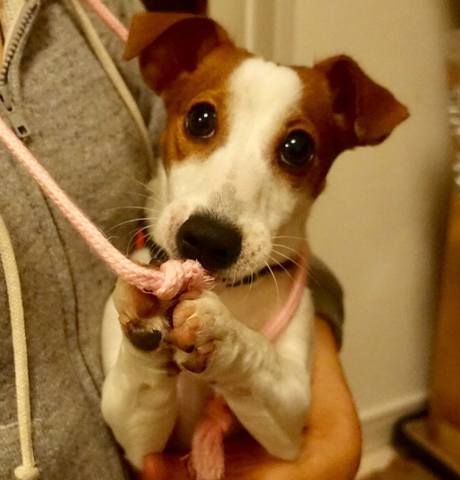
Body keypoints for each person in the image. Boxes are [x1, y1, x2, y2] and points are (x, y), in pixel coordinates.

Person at [0, 0, 361, 479]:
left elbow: (286, 435)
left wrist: (239, 354)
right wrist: (149, 356)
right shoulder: (138, 286)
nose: (225, 198)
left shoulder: (104, 12)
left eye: (294, 150)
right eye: (203, 122)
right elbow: (139, 443)